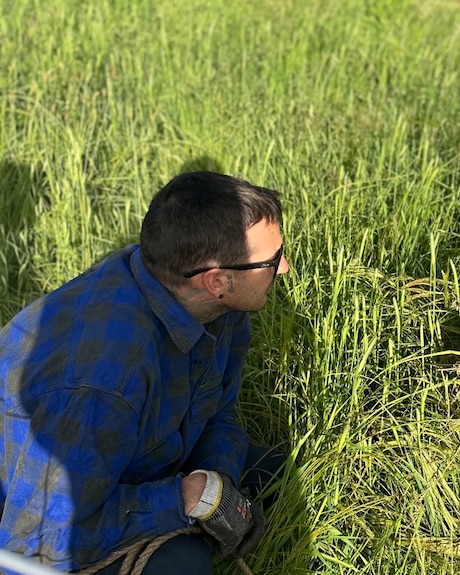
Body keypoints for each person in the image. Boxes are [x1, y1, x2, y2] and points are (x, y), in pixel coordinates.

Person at [0, 171, 289, 574]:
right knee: (183, 567)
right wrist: (183, 500)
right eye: (272, 261)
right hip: (41, 510)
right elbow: (35, 538)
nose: (285, 267)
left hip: (129, 455)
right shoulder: (103, 380)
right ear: (218, 281)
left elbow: (219, 414)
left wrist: (217, 483)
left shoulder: (216, 307)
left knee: (275, 474)